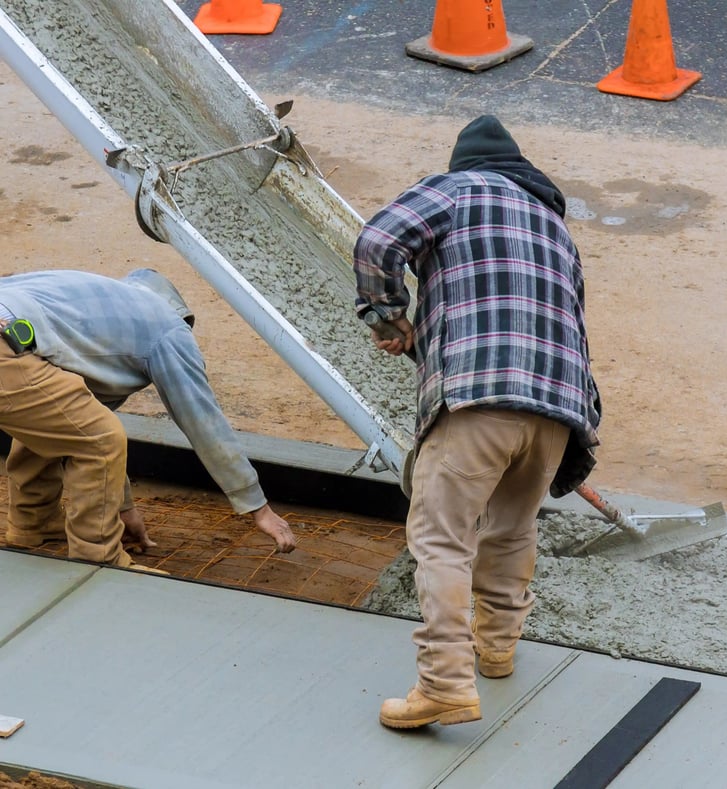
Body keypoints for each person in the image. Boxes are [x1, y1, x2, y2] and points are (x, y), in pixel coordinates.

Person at [353, 115, 601, 729]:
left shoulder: (458, 189)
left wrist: (389, 318)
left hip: (477, 398)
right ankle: (495, 650)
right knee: (512, 530)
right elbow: (572, 327)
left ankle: (443, 683)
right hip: (555, 412)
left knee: (441, 539)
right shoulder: (556, 231)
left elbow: (379, 240)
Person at [0, 268, 296, 571]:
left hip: (10, 333)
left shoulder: (91, 307)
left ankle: (34, 524)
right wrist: (259, 508)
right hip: (5, 342)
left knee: (55, 420)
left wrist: (123, 509)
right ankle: (98, 559)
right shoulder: (167, 328)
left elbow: (68, 421)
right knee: (101, 442)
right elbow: (204, 422)